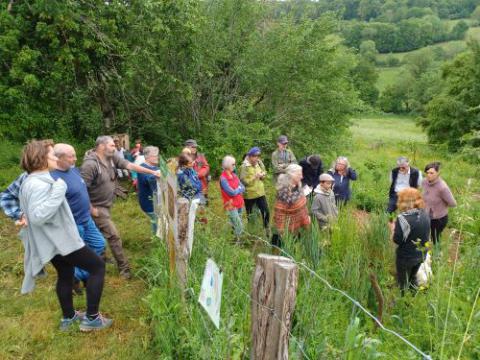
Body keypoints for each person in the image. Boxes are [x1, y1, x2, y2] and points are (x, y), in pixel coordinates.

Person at [18, 140, 111, 331]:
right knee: (97, 267)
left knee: (66, 273)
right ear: (42, 159)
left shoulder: (31, 180)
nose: (54, 158)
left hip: (52, 242)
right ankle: (92, 319)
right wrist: (59, 190)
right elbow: (38, 216)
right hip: (61, 241)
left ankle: (68, 318)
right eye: (52, 155)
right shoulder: (39, 184)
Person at [81, 136, 161, 279]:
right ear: (101, 146)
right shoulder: (90, 165)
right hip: (96, 207)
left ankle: (101, 256)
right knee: (114, 236)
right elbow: (81, 190)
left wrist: (152, 172)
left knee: (97, 234)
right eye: (112, 145)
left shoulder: (112, 158)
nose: (115, 147)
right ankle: (124, 268)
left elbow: (130, 166)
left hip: (106, 205)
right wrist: (91, 208)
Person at [51, 144, 106, 289]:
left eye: (75, 155)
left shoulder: (73, 170)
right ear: (58, 158)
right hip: (73, 224)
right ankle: (79, 276)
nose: (75, 159)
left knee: (99, 243)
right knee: (77, 255)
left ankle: (77, 275)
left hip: (86, 219)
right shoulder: (53, 178)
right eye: (71, 156)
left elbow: (82, 191)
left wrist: (90, 208)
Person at [391, 188, 430, 293]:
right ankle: (414, 298)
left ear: (403, 201)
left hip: (406, 257)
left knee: (402, 282)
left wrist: (393, 229)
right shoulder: (425, 214)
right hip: (421, 254)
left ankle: (403, 303)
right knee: (413, 277)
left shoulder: (403, 218)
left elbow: (397, 240)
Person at [272, 164, 310, 247]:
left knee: (296, 249)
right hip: (285, 232)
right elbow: (279, 214)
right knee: (283, 252)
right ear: (292, 175)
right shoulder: (283, 192)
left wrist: (306, 219)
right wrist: (281, 231)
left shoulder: (298, 187)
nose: (302, 177)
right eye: (299, 174)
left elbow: (302, 208)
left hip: (296, 228)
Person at [422, 162, 456, 244]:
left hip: (439, 219)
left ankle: (437, 255)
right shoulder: (424, 182)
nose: (428, 175)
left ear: (438, 173)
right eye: (427, 173)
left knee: (435, 238)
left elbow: (453, 203)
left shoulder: (442, 187)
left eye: (431, 173)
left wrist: (439, 206)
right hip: (426, 215)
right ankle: (427, 253)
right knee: (424, 235)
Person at [240, 147, 270, 231]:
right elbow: (243, 182)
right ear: (249, 156)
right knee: (251, 216)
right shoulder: (244, 167)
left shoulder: (258, 164)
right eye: (255, 156)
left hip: (260, 193)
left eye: (258, 156)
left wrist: (262, 176)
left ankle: (266, 228)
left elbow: (263, 175)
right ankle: (252, 232)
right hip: (250, 195)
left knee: (266, 212)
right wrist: (254, 177)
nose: (257, 158)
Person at [219, 156, 245, 240]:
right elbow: (231, 192)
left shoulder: (234, 175)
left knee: (237, 222)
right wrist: (238, 189)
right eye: (233, 164)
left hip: (239, 203)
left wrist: (237, 189)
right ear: (227, 165)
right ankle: (238, 242)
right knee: (239, 225)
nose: (235, 166)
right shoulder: (223, 178)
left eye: (234, 164)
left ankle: (233, 239)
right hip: (230, 205)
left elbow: (243, 187)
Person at [137, 146, 160, 235]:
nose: (157, 157)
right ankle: (156, 239)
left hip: (157, 201)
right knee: (156, 220)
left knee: (157, 220)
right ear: (148, 157)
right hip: (149, 202)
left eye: (157, 155)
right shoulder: (142, 168)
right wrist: (158, 175)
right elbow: (148, 179)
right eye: (155, 155)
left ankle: (157, 238)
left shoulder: (155, 167)